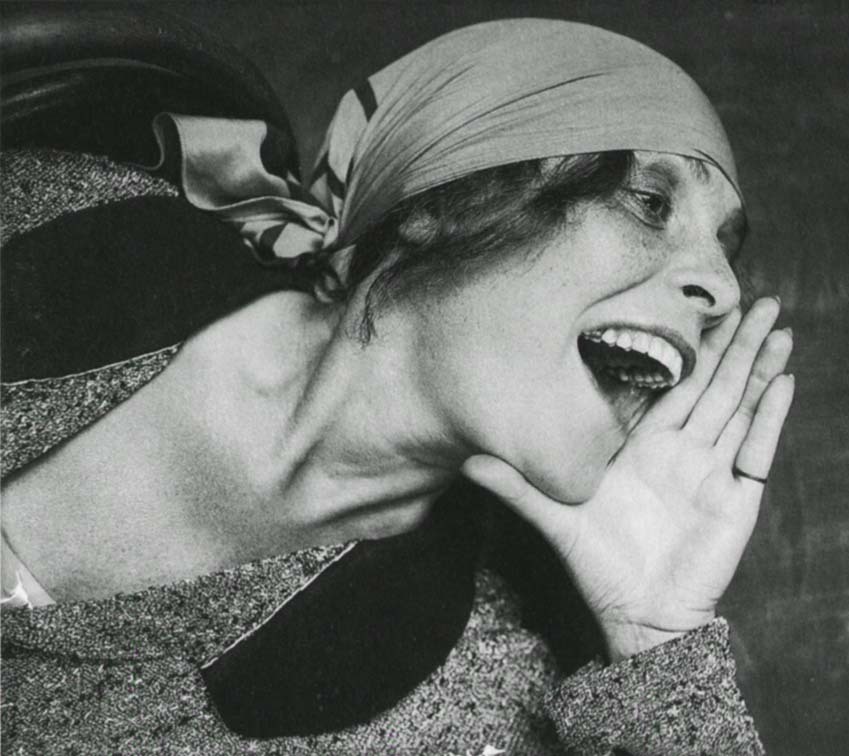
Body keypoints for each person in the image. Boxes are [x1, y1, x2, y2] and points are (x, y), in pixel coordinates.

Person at [0, 18, 793, 754]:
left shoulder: (477, 700)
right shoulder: (45, 221)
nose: (724, 291)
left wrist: (659, 644)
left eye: (726, 251)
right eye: (650, 202)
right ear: (441, 204)